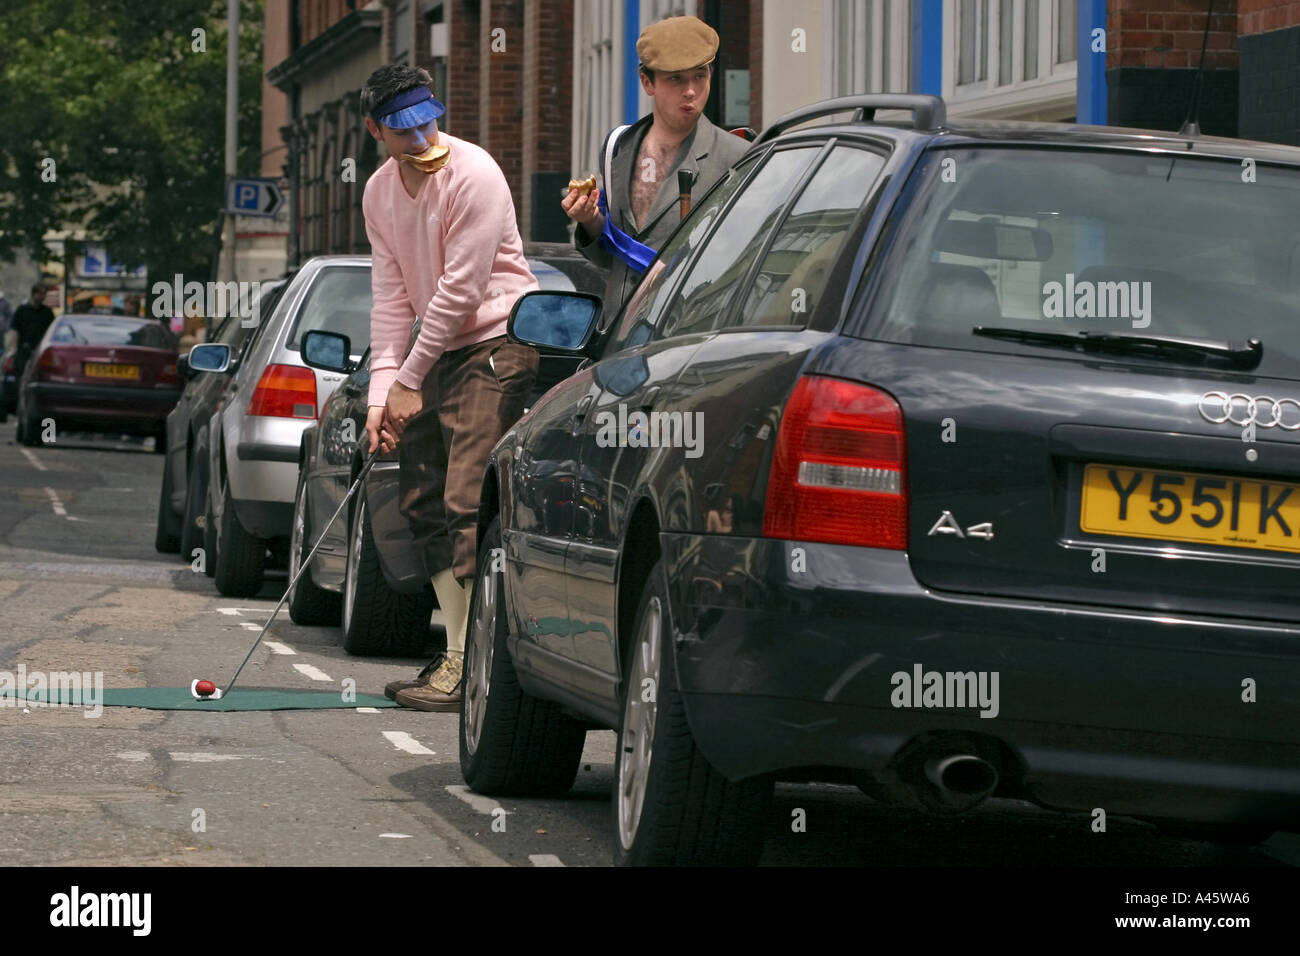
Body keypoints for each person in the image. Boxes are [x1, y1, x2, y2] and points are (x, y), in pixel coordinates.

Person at [359, 64, 540, 711]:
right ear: (376, 130)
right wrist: (384, 397)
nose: (422, 140)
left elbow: (461, 293)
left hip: (498, 341)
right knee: (421, 498)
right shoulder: (378, 195)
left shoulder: (477, 174)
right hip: (434, 352)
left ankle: (477, 666)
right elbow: (390, 304)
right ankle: (460, 652)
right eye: (405, 131)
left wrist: (410, 381)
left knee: (467, 498)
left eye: (429, 123)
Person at [562, 15, 750, 311]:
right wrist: (590, 221)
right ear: (647, 82)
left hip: (684, 338)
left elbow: (745, 261)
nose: (690, 90)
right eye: (676, 78)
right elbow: (609, 259)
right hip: (617, 334)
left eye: (700, 76)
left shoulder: (738, 157)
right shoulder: (617, 148)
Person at [12, 283, 55, 379]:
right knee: (21, 375)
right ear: (34, 294)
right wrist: (14, 349)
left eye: (45, 294)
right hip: (23, 349)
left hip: (40, 350)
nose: (43, 297)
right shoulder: (22, 310)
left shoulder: (47, 312)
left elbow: (52, 332)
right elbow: (15, 330)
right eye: (41, 294)